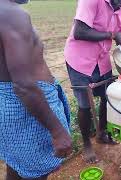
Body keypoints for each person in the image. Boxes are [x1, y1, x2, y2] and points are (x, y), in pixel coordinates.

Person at [0, 0, 72, 179]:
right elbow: (23, 86)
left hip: (10, 110)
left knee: (18, 166)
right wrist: (57, 131)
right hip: (25, 110)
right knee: (37, 172)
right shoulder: (12, 14)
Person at [64, 0, 121, 163]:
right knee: (84, 104)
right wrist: (113, 35)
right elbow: (79, 32)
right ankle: (87, 144)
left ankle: (101, 133)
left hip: (102, 60)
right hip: (80, 60)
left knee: (107, 97)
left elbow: (120, 40)